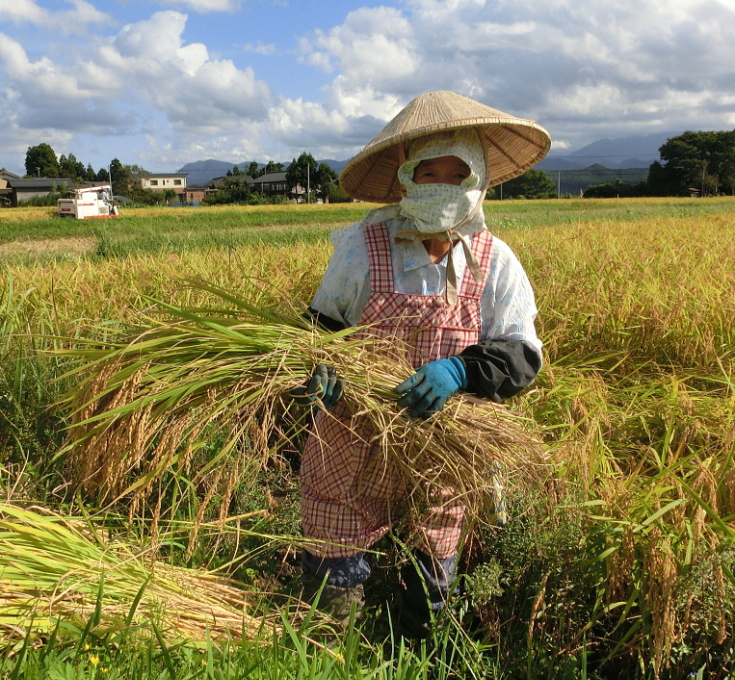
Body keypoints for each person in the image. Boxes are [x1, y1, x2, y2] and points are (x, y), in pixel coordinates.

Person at [294, 90, 551, 638]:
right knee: (331, 584)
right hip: (355, 437)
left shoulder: (494, 261)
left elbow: (522, 354)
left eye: (454, 174)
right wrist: (325, 370)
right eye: (426, 171)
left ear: (478, 180)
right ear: (406, 178)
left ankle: (415, 656)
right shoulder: (364, 246)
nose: (438, 185)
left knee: (431, 578)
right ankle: (326, 656)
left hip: (445, 448)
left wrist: (459, 372)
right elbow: (321, 328)